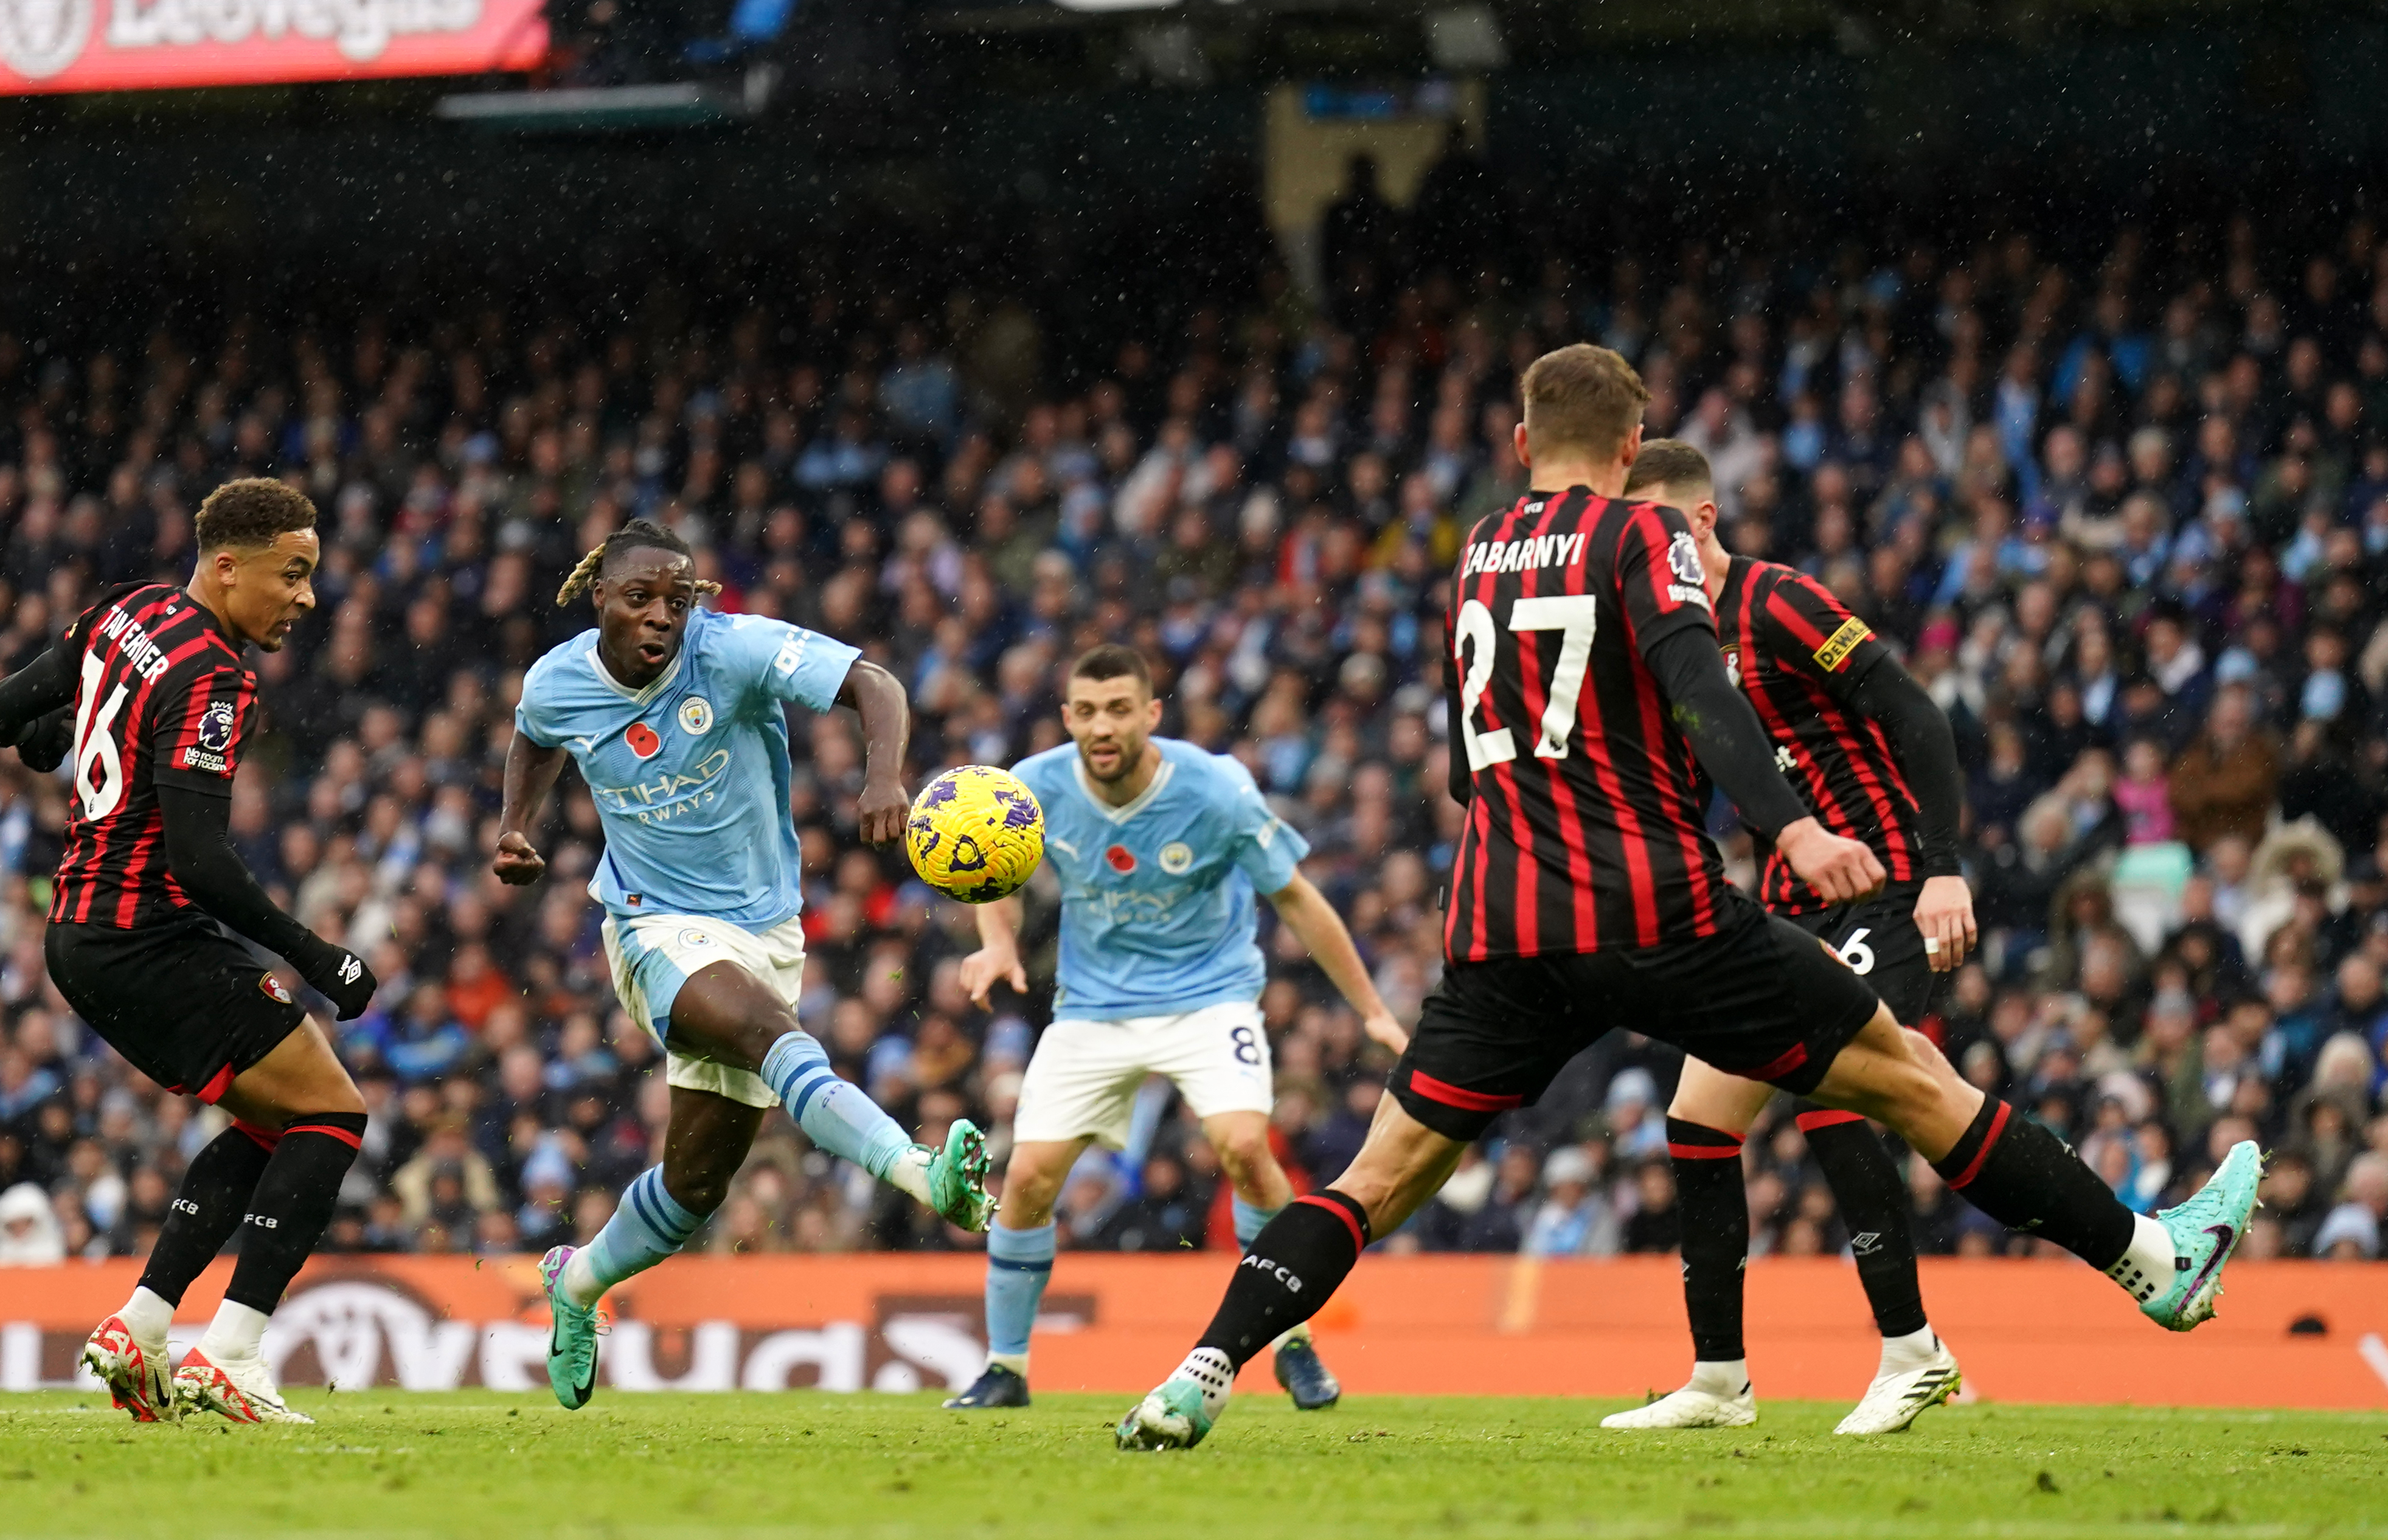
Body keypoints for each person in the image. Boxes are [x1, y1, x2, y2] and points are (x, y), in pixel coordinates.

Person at [1112, 345, 2266, 1452]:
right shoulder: (1641, 534)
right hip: (1653, 907)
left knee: (1374, 1177)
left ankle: (1196, 1372)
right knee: (1910, 1081)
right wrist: (1796, 828)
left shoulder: (1472, 550)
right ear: (1630, 445)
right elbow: (1701, 689)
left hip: (1501, 922)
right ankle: (2151, 1265)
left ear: (1520, 442)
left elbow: (1467, 769)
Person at [495, 518, 994, 1412]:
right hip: (652, 927)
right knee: (774, 1033)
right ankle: (926, 1176)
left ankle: (574, 1286)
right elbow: (534, 734)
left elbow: (873, 682)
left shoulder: (733, 651)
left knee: (692, 1191)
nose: (660, 617)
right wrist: (517, 824)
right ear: (598, 596)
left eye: (675, 602)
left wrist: (886, 774)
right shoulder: (558, 680)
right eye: (640, 598)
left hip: (766, 933)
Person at [0, 477, 381, 1425]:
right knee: (333, 1112)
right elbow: (200, 863)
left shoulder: (127, 610)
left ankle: (141, 1329)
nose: (307, 597)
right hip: (143, 928)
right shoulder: (213, 674)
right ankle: (231, 1353)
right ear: (227, 566)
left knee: (277, 1121)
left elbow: (1, 713)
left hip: (79, 935)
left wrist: (53, 740)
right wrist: (320, 958)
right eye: (294, 574)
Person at [1600, 439, 1971, 1435]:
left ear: (1702, 521)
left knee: (1831, 1087)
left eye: (1650, 528)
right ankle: (1717, 1378)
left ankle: (1909, 1350)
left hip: (1886, 885)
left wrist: (1941, 866)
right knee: (1696, 1120)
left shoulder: (1780, 603)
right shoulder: (1664, 635)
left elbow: (1915, 715)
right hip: (1787, 904)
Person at [940, 645, 1407, 1411]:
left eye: (1120, 709)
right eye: (1087, 711)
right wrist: (996, 942)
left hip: (1210, 996)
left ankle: (1293, 1345)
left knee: (1245, 1147)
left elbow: (1297, 900)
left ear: (1152, 714)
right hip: (1093, 1007)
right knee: (1025, 1179)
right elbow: (996, 874)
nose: (1103, 726)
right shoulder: (1032, 786)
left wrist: (1372, 1010)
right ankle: (1007, 1368)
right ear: (1067, 718)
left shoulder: (1216, 789)